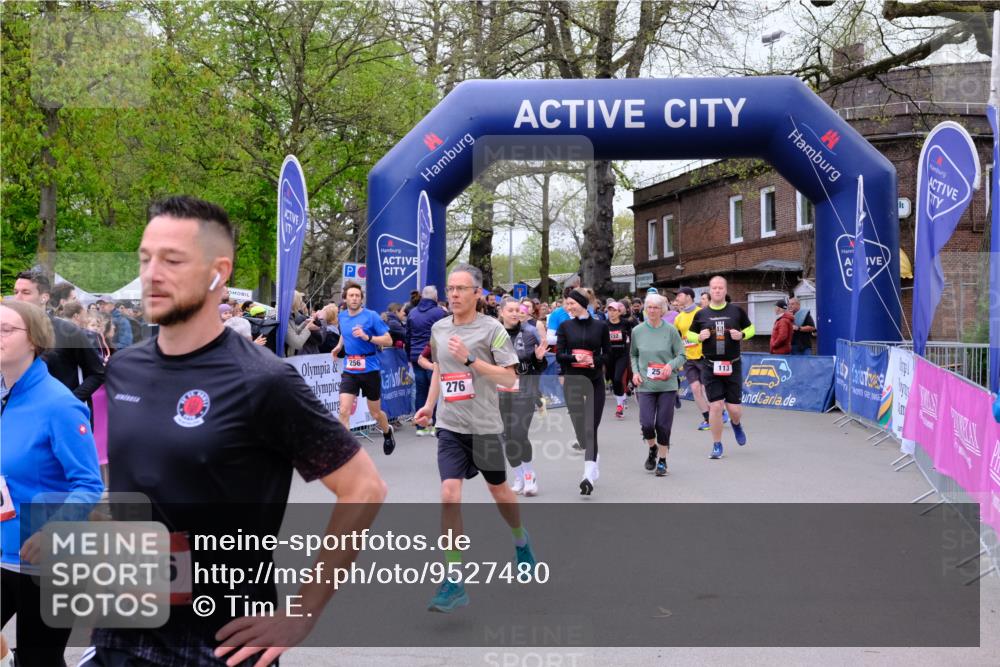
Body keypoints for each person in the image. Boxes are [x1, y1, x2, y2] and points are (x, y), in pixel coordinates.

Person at [89, 195, 386, 666]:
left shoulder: (263, 380)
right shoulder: (124, 368)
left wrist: (303, 612)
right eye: (145, 259)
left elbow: (364, 488)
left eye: (172, 260)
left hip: (219, 645)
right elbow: (143, 483)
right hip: (121, 635)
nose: (152, 274)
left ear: (218, 272)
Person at [413, 263, 535, 613]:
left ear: (477, 294)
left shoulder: (492, 329)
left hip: (484, 427)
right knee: (449, 495)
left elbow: (509, 378)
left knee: (500, 493)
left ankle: (521, 541)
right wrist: (429, 406)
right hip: (450, 426)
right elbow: (440, 370)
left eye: (461, 289)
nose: (453, 294)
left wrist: (471, 361)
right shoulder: (439, 328)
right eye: (450, 288)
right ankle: (454, 578)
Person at [1, 301, 104, 666]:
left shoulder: (59, 405)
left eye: (6, 330)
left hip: (48, 563)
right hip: (3, 552)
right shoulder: (3, 393)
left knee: (39, 659)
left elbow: (89, 485)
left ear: (34, 340)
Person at [12, 270, 106, 403]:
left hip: (58, 410)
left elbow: (97, 373)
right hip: (19, 408)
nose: (17, 298)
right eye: (16, 292)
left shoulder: (68, 331)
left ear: (44, 297)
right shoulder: (8, 330)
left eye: (25, 292)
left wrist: (70, 401)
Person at [689, 276, 754, 460]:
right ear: (710, 291)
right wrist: (698, 337)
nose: (717, 290)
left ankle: (736, 424)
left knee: (734, 409)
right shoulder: (701, 314)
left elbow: (751, 329)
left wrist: (741, 335)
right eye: (714, 288)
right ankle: (717, 444)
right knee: (716, 406)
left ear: (725, 290)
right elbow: (690, 334)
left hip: (732, 364)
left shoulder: (736, 311)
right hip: (710, 366)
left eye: (720, 288)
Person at [330, 281, 397, 455]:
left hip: (369, 369)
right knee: (343, 411)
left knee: (375, 413)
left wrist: (368, 337)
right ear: (345, 298)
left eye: (357, 296)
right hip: (350, 369)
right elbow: (344, 334)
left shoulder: (371, 316)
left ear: (361, 299)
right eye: (351, 295)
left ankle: (387, 431)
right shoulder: (342, 316)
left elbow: (388, 340)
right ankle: (347, 452)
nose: (354, 298)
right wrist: (339, 346)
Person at [556, 289, 611, 495]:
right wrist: (574, 358)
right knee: (581, 432)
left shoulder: (600, 326)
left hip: (594, 381)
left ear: (582, 303)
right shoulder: (565, 326)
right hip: (573, 381)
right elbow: (560, 355)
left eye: (572, 303)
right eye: (567, 304)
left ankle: (587, 475)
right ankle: (594, 457)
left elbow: (608, 354)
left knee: (590, 428)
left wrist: (594, 360)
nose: (568, 307)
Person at [630, 293, 687, 476]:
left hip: (667, 385)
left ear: (662, 310)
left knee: (663, 425)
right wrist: (635, 372)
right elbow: (634, 354)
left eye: (656, 307)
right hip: (645, 384)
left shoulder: (670, 330)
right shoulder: (637, 331)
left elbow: (682, 355)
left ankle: (662, 460)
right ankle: (652, 448)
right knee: (647, 424)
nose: (652, 310)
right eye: (649, 307)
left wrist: (670, 366)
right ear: (645, 309)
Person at [498, 297, 547, 496]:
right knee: (507, 437)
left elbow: (539, 367)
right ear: (501, 312)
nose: (514, 313)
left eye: (517, 310)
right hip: (500, 393)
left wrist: (539, 359)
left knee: (519, 434)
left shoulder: (529, 335)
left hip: (524, 391)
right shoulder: (493, 336)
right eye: (510, 310)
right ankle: (518, 476)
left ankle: (529, 475)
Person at [673, 286, 720, 431]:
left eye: (679, 295)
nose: (677, 298)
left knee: (706, 388)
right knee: (695, 388)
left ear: (688, 296)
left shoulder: (702, 313)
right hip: (688, 358)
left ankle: (719, 412)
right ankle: (707, 418)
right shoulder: (678, 318)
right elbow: (677, 339)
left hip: (704, 356)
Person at [605, 302, 633, 419]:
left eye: (614, 310)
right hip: (609, 355)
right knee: (613, 380)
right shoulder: (604, 324)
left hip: (622, 354)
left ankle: (619, 406)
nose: (611, 313)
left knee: (618, 378)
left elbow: (632, 337)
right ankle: (622, 398)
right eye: (609, 310)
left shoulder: (626, 323)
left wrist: (631, 351)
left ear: (619, 312)